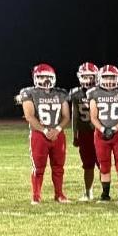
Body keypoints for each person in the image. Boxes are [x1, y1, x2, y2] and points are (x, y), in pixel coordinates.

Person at [21, 64, 71, 204]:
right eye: (41, 77)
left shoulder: (60, 93)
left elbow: (66, 116)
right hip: (39, 135)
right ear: (35, 78)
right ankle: (36, 196)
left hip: (58, 134)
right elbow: (29, 116)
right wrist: (45, 131)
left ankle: (59, 194)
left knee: (58, 167)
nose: (45, 80)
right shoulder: (29, 92)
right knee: (38, 167)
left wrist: (57, 129)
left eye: (48, 77)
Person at [87, 65, 118, 202]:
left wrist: (113, 129)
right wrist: (103, 129)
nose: (109, 80)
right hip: (101, 134)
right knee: (104, 164)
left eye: (112, 78)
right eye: (106, 77)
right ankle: (105, 193)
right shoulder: (94, 93)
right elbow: (93, 117)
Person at [69, 62, 100, 200]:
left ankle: (105, 193)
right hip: (84, 132)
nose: (87, 80)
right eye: (85, 76)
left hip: (99, 132)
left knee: (102, 164)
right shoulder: (76, 94)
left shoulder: (101, 91)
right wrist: (74, 135)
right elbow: (75, 116)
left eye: (90, 76)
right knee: (88, 165)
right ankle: (88, 193)